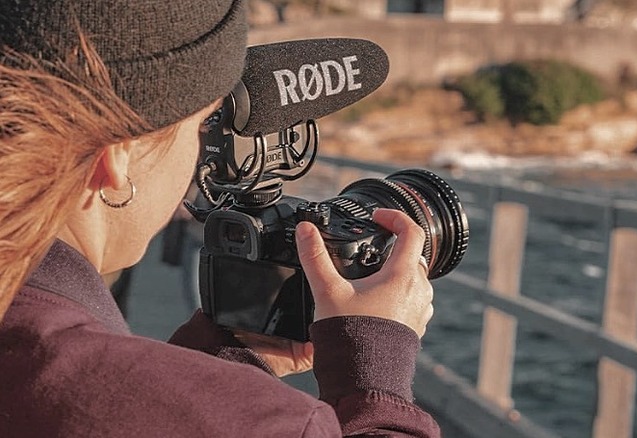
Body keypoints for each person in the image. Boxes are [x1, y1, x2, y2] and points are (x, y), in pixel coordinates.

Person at [0, 1, 440, 437]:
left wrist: (222, 367)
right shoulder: (277, 426)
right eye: (202, 125)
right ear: (119, 155)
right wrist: (375, 381)